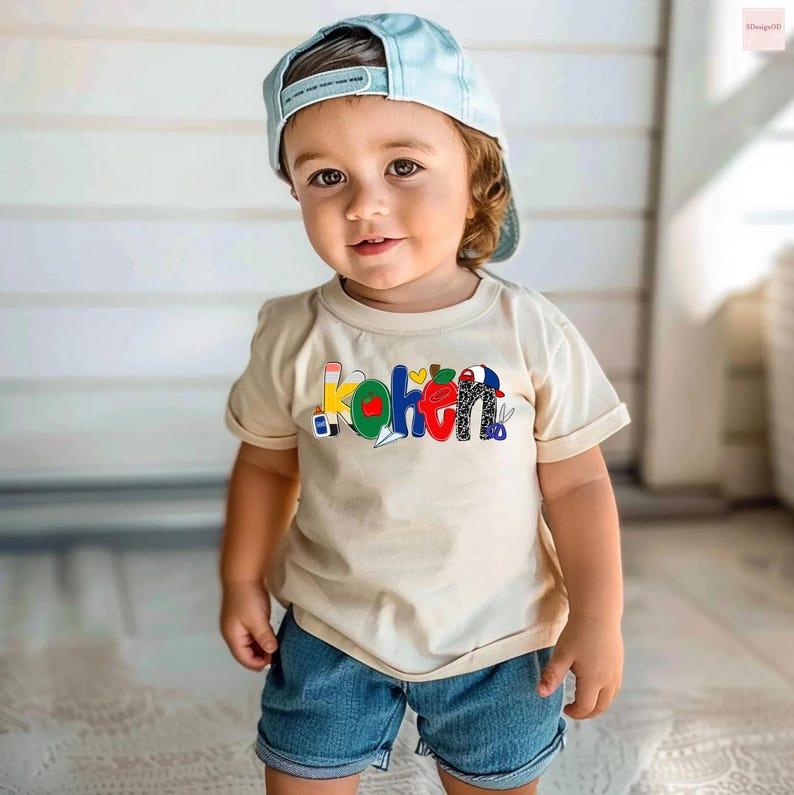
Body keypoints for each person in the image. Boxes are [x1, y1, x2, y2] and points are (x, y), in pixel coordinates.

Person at [218, 12, 631, 795]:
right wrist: (241, 579)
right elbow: (267, 465)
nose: (364, 204)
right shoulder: (294, 333)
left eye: (402, 165)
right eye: (326, 177)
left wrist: (599, 614)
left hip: (500, 640)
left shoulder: (527, 331)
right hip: (331, 633)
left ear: (478, 177)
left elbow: (578, 483)